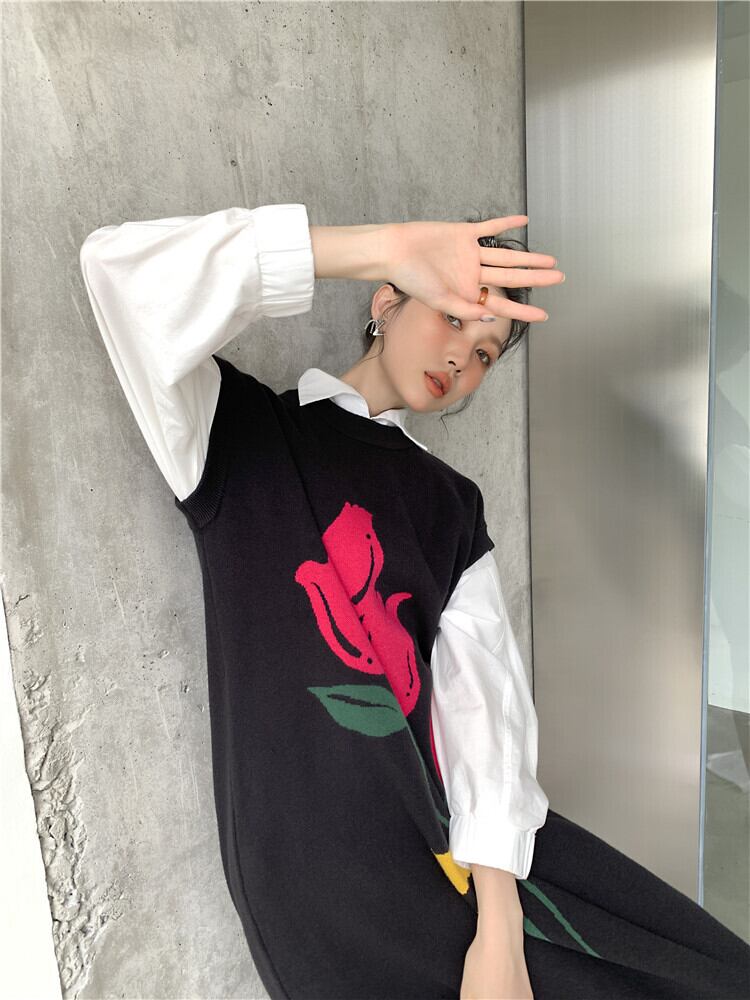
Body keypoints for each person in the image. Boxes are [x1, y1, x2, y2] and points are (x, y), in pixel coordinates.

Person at [79, 206, 750, 999]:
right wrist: (383, 247)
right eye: (454, 316)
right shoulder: (235, 433)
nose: (462, 357)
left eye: (485, 354)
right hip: (322, 893)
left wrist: (498, 929)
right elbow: (118, 277)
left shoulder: (450, 505)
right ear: (387, 300)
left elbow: (483, 713)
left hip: (467, 858)